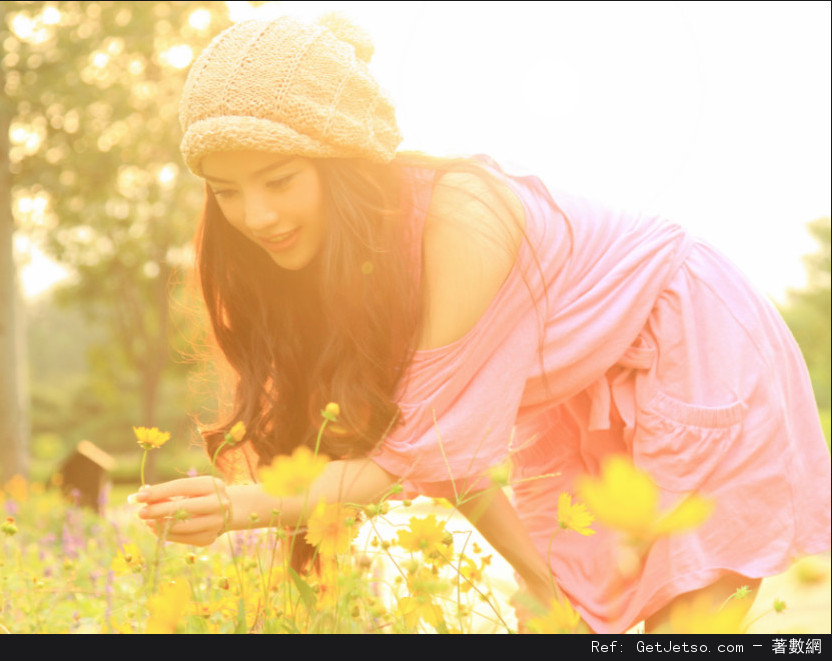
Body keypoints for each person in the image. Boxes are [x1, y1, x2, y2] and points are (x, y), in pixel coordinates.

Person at [133, 14, 832, 633]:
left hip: (697, 344)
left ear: (342, 161)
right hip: (584, 398)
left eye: (279, 180)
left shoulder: (460, 221)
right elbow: (445, 457)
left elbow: (410, 454)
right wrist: (546, 592)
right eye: (228, 192)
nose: (255, 217)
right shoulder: (333, 260)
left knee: (689, 630)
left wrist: (236, 506)